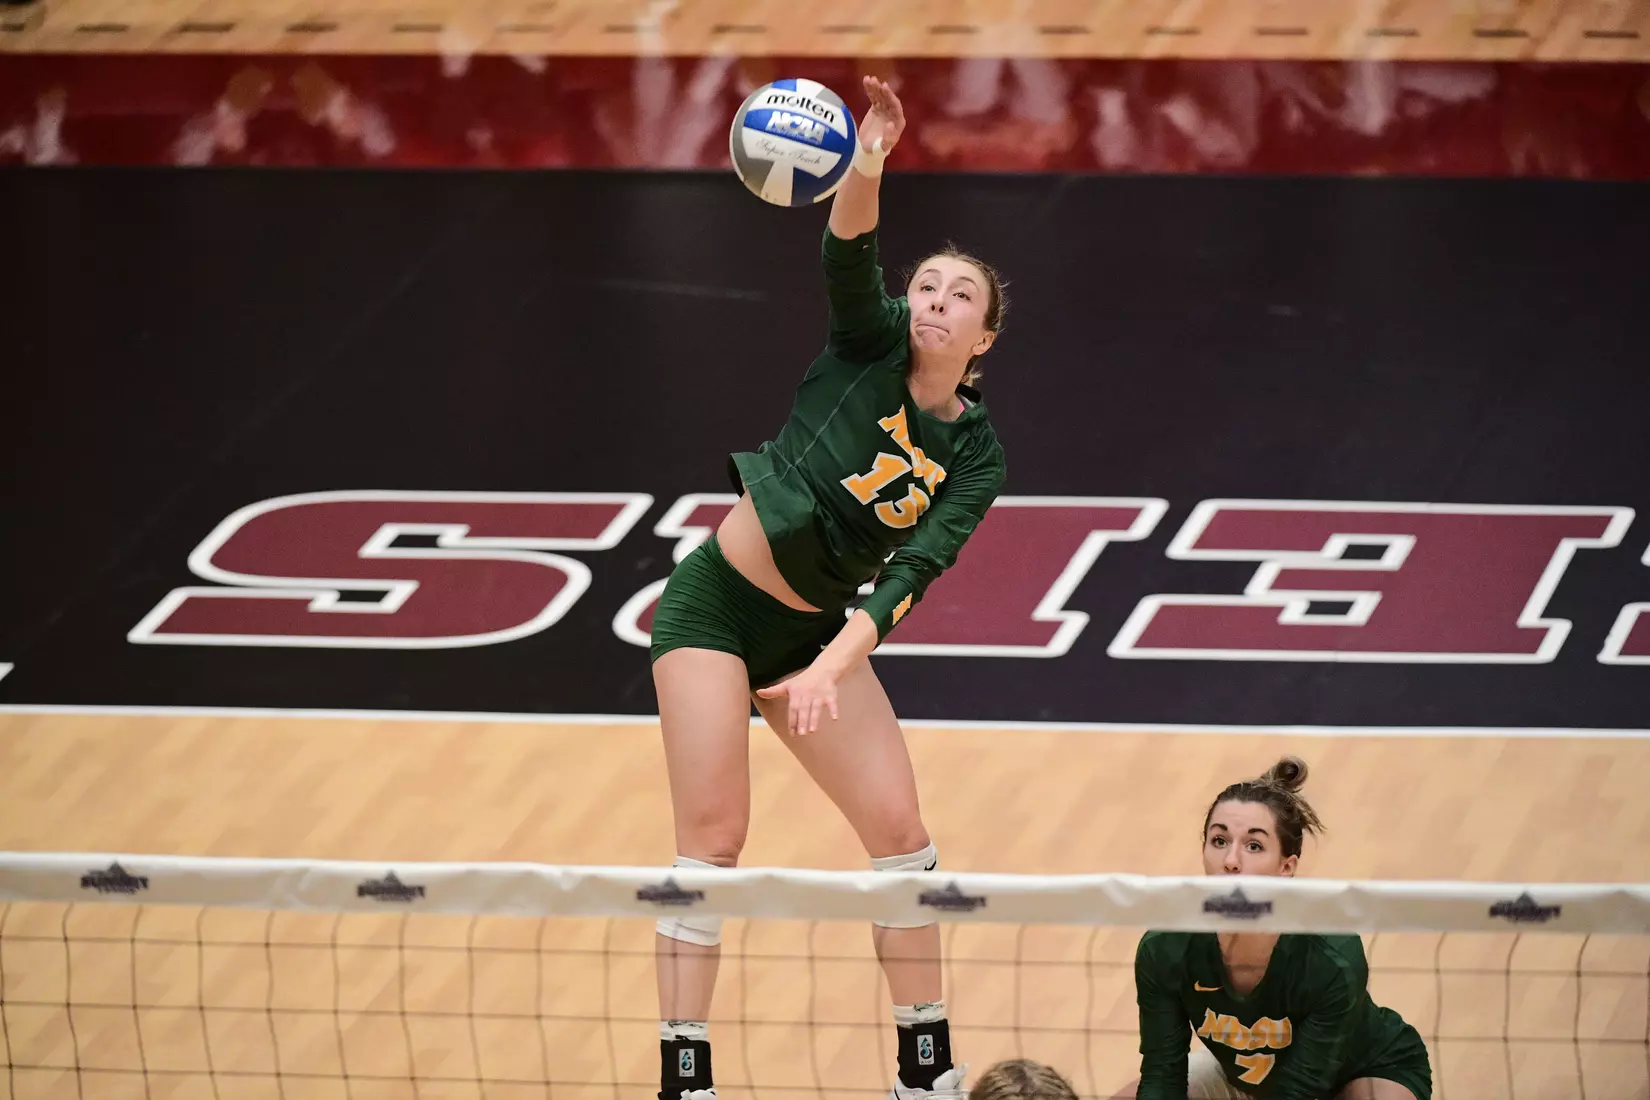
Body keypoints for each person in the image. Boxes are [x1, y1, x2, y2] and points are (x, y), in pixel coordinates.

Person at [647, 75, 1009, 1100]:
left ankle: (925, 1068)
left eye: (958, 297)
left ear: (984, 339)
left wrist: (829, 665)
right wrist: (869, 158)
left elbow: (912, 573)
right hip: (717, 608)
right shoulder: (867, 343)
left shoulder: (978, 459)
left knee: (902, 839)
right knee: (713, 843)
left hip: (819, 638)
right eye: (927, 286)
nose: (933, 302)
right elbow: (847, 251)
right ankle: (686, 1074)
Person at [1122, 757, 1433, 1099]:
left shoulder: (1330, 954)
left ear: (1286, 867)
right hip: (1247, 1071)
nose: (1230, 861)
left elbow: (1301, 1089)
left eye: (1254, 846)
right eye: (1219, 840)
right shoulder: (1167, 945)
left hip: (1359, 1070)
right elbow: (1162, 1074)